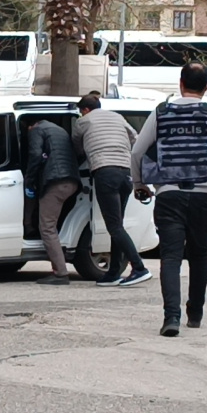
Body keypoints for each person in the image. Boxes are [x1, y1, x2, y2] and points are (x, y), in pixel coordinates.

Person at [131, 62, 207, 337]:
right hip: (204, 195)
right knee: (199, 254)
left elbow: (136, 152)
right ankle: (195, 313)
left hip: (169, 194)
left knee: (170, 257)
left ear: (180, 83)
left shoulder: (160, 112)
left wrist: (139, 183)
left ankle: (171, 317)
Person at [72, 95, 152, 287]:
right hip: (126, 173)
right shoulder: (117, 117)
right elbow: (135, 138)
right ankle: (114, 272)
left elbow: (75, 146)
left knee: (114, 226)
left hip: (105, 172)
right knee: (118, 225)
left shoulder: (83, 121)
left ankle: (139, 267)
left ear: (84, 110)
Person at [26, 119, 82, 286]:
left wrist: (29, 180)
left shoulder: (36, 130)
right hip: (71, 181)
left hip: (55, 182)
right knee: (51, 222)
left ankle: (60, 273)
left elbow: (35, 154)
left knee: (47, 227)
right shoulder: (60, 130)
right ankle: (29, 226)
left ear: (30, 126)